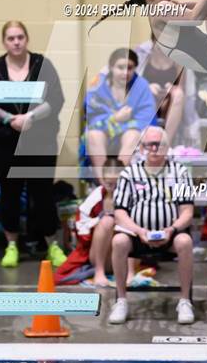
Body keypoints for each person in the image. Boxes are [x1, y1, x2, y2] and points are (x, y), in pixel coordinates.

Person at [0, 21, 66, 268]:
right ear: (4, 42)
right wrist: (9, 120)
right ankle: (11, 246)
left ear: (27, 39)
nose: (16, 42)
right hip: (5, 144)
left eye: (20, 37)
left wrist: (30, 117)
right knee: (10, 193)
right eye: (11, 38)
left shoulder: (42, 65)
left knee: (43, 194)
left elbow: (56, 99)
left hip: (40, 142)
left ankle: (53, 245)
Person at [108, 126, 195, 325]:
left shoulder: (180, 172)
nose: (154, 149)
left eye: (159, 144)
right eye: (150, 144)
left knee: (185, 241)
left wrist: (171, 229)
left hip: (170, 234)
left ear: (167, 147)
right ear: (141, 148)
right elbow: (120, 212)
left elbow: (187, 212)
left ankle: (184, 301)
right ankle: (121, 300)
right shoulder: (129, 173)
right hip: (137, 236)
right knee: (119, 241)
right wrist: (139, 231)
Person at [54, 157, 135, 287]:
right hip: (100, 254)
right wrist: (99, 221)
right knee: (107, 221)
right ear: (102, 179)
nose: (113, 188)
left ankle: (130, 273)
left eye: (117, 184)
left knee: (132, 223)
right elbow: (81, 227)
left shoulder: (133, 195)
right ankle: (99, 272)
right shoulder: (97, 196)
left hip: (125, 254)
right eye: (109, 184)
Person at [85, 48, 156, 184]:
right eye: (120, 67)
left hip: (130, 131)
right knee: (93, 135)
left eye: (129, 68)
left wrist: (127, 123)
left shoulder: (141, 86)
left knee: (133, 135)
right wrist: (115, 118)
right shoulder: (98, 84)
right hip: (103, 129)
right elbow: (91, 114)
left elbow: (147, 116)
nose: (125, 72)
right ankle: (104, 185)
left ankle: (119, 183)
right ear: (111, 67)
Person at [140, 36, 185, 144]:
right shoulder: (144, 54)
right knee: (146, 93)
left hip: (168, 99)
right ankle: (145, 141)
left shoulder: (178, 58)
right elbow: (134, 83)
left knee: (179, 94)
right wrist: (147, 87)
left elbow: (182, 86)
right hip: (149, 97)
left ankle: (165, 143)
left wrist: (172, 87)